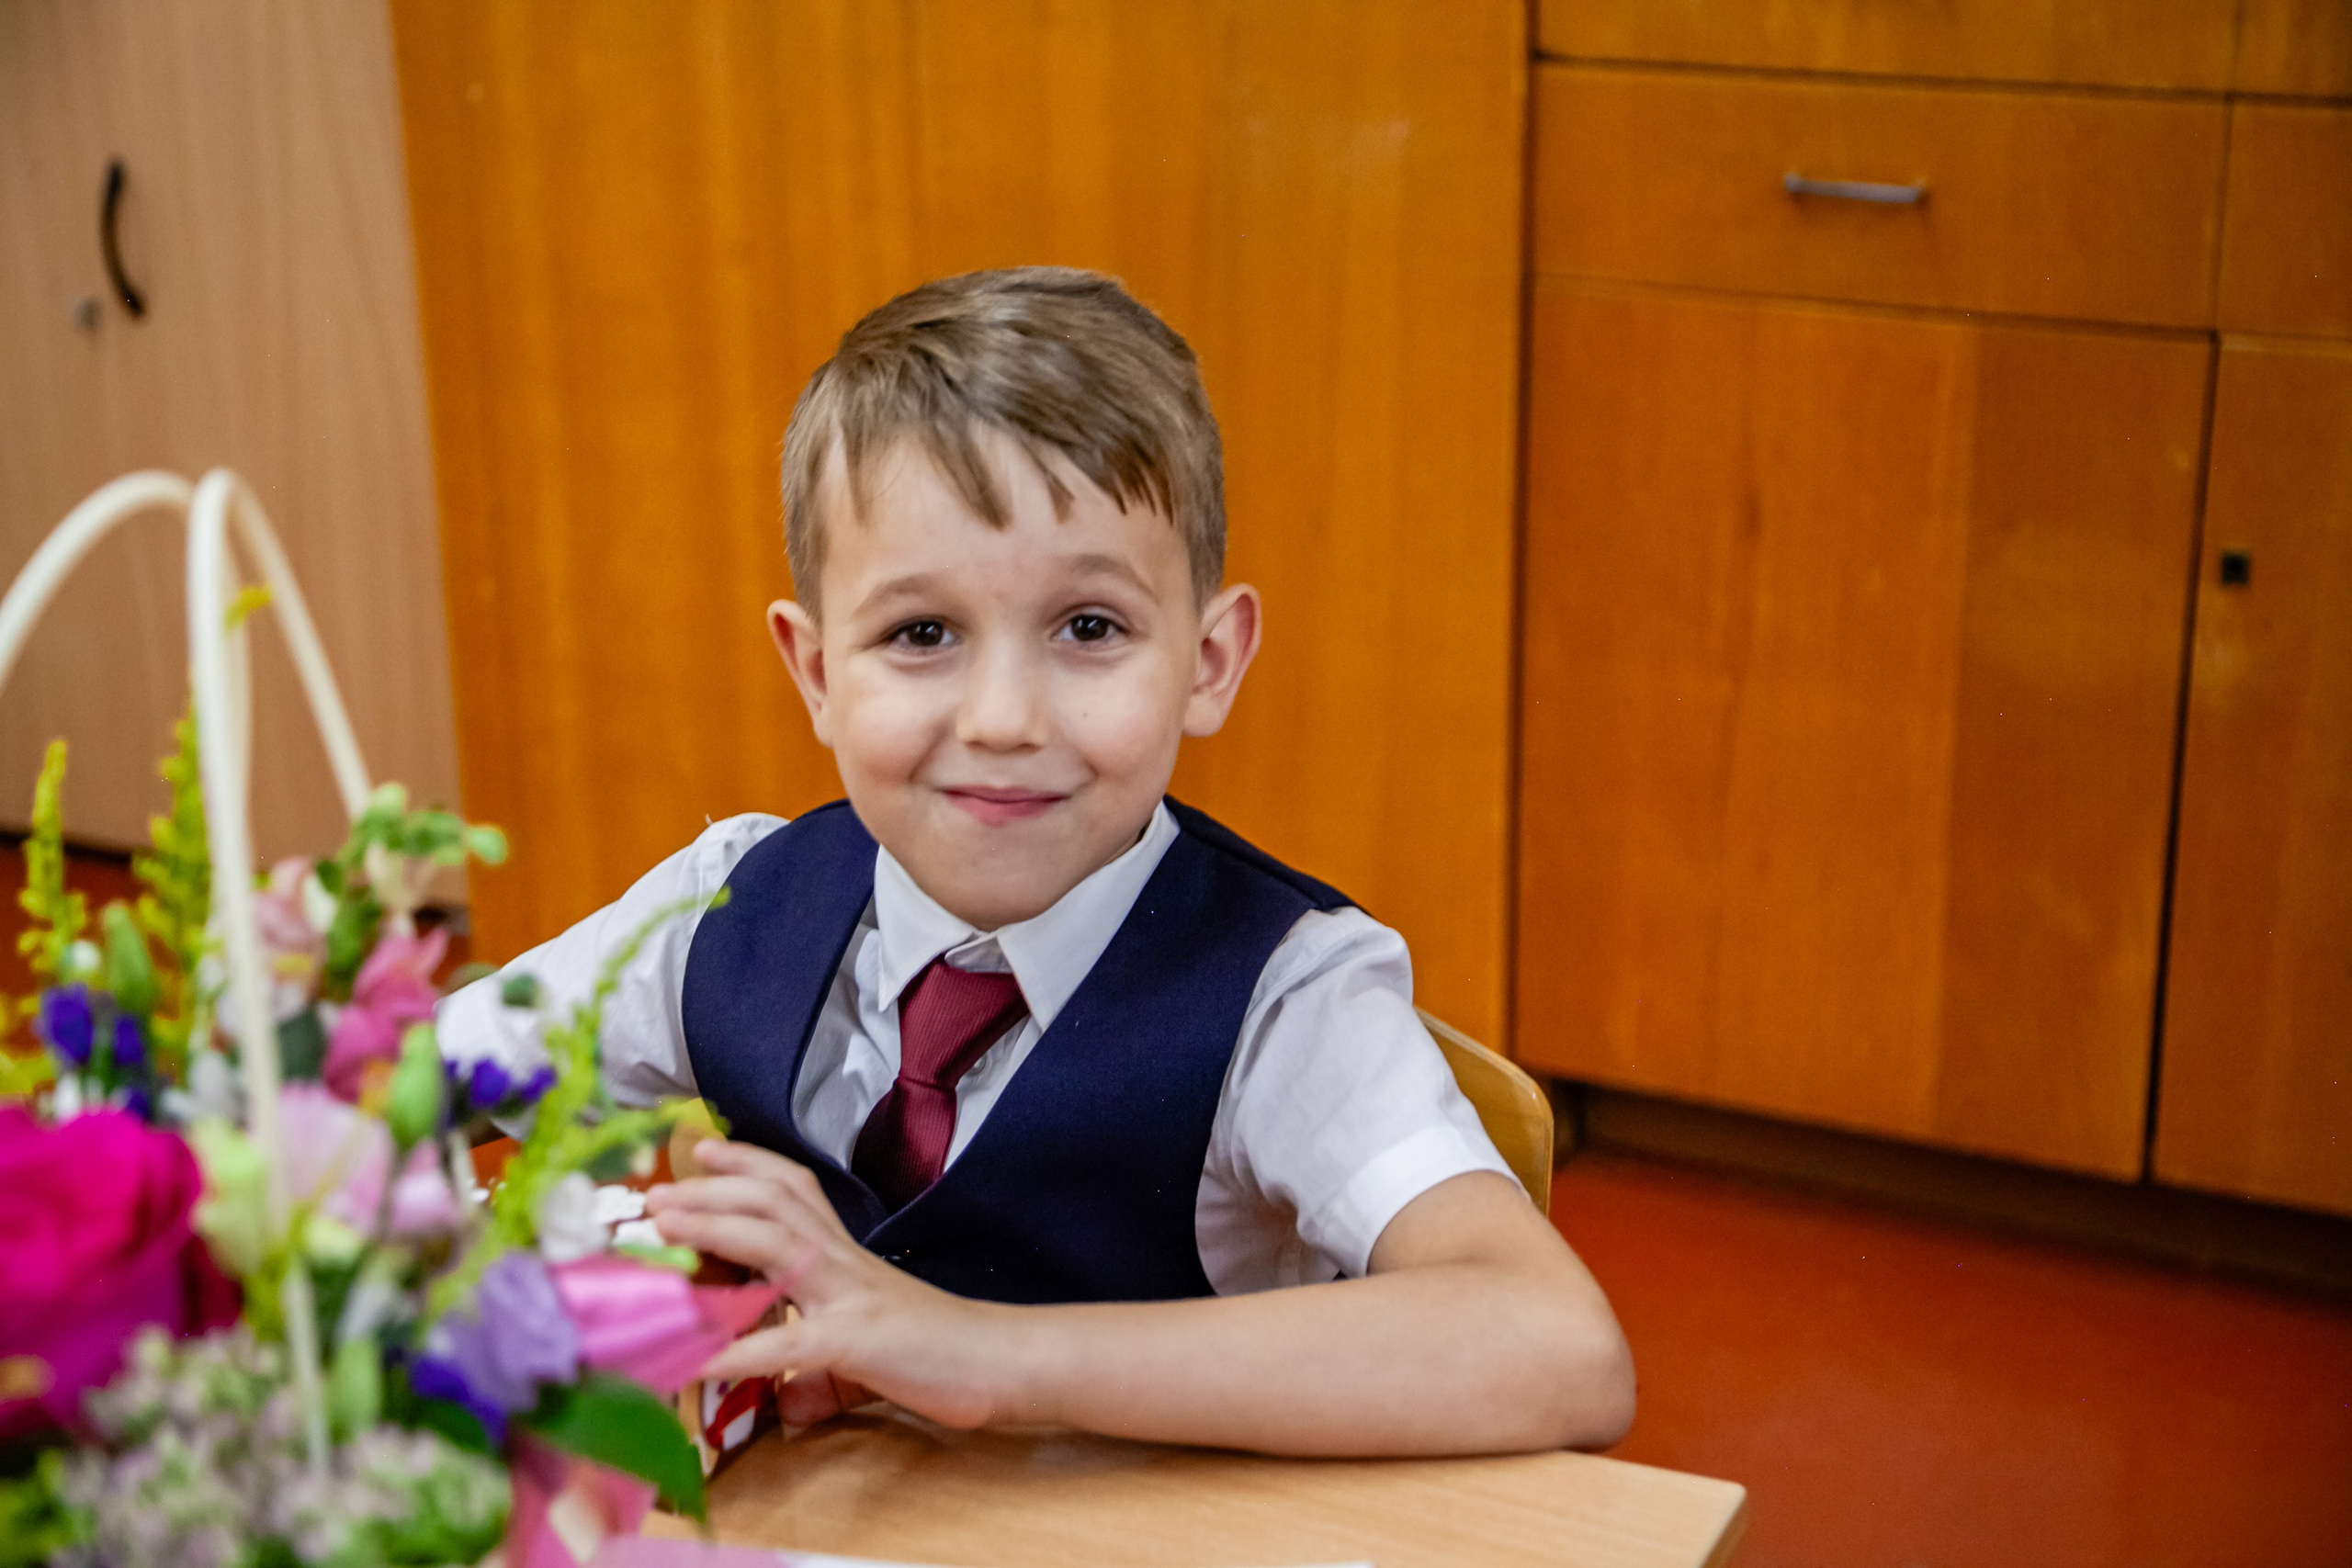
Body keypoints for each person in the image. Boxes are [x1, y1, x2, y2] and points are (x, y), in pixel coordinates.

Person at [437, 266, 1634, 1457]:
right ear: (813, 673)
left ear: (1209, 662)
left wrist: (977, 1354)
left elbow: (1556, 1347)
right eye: (921, 633)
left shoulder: (1287, 995)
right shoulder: (726, 908)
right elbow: (365, 1102)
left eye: (1089, 628)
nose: (1004, 717)